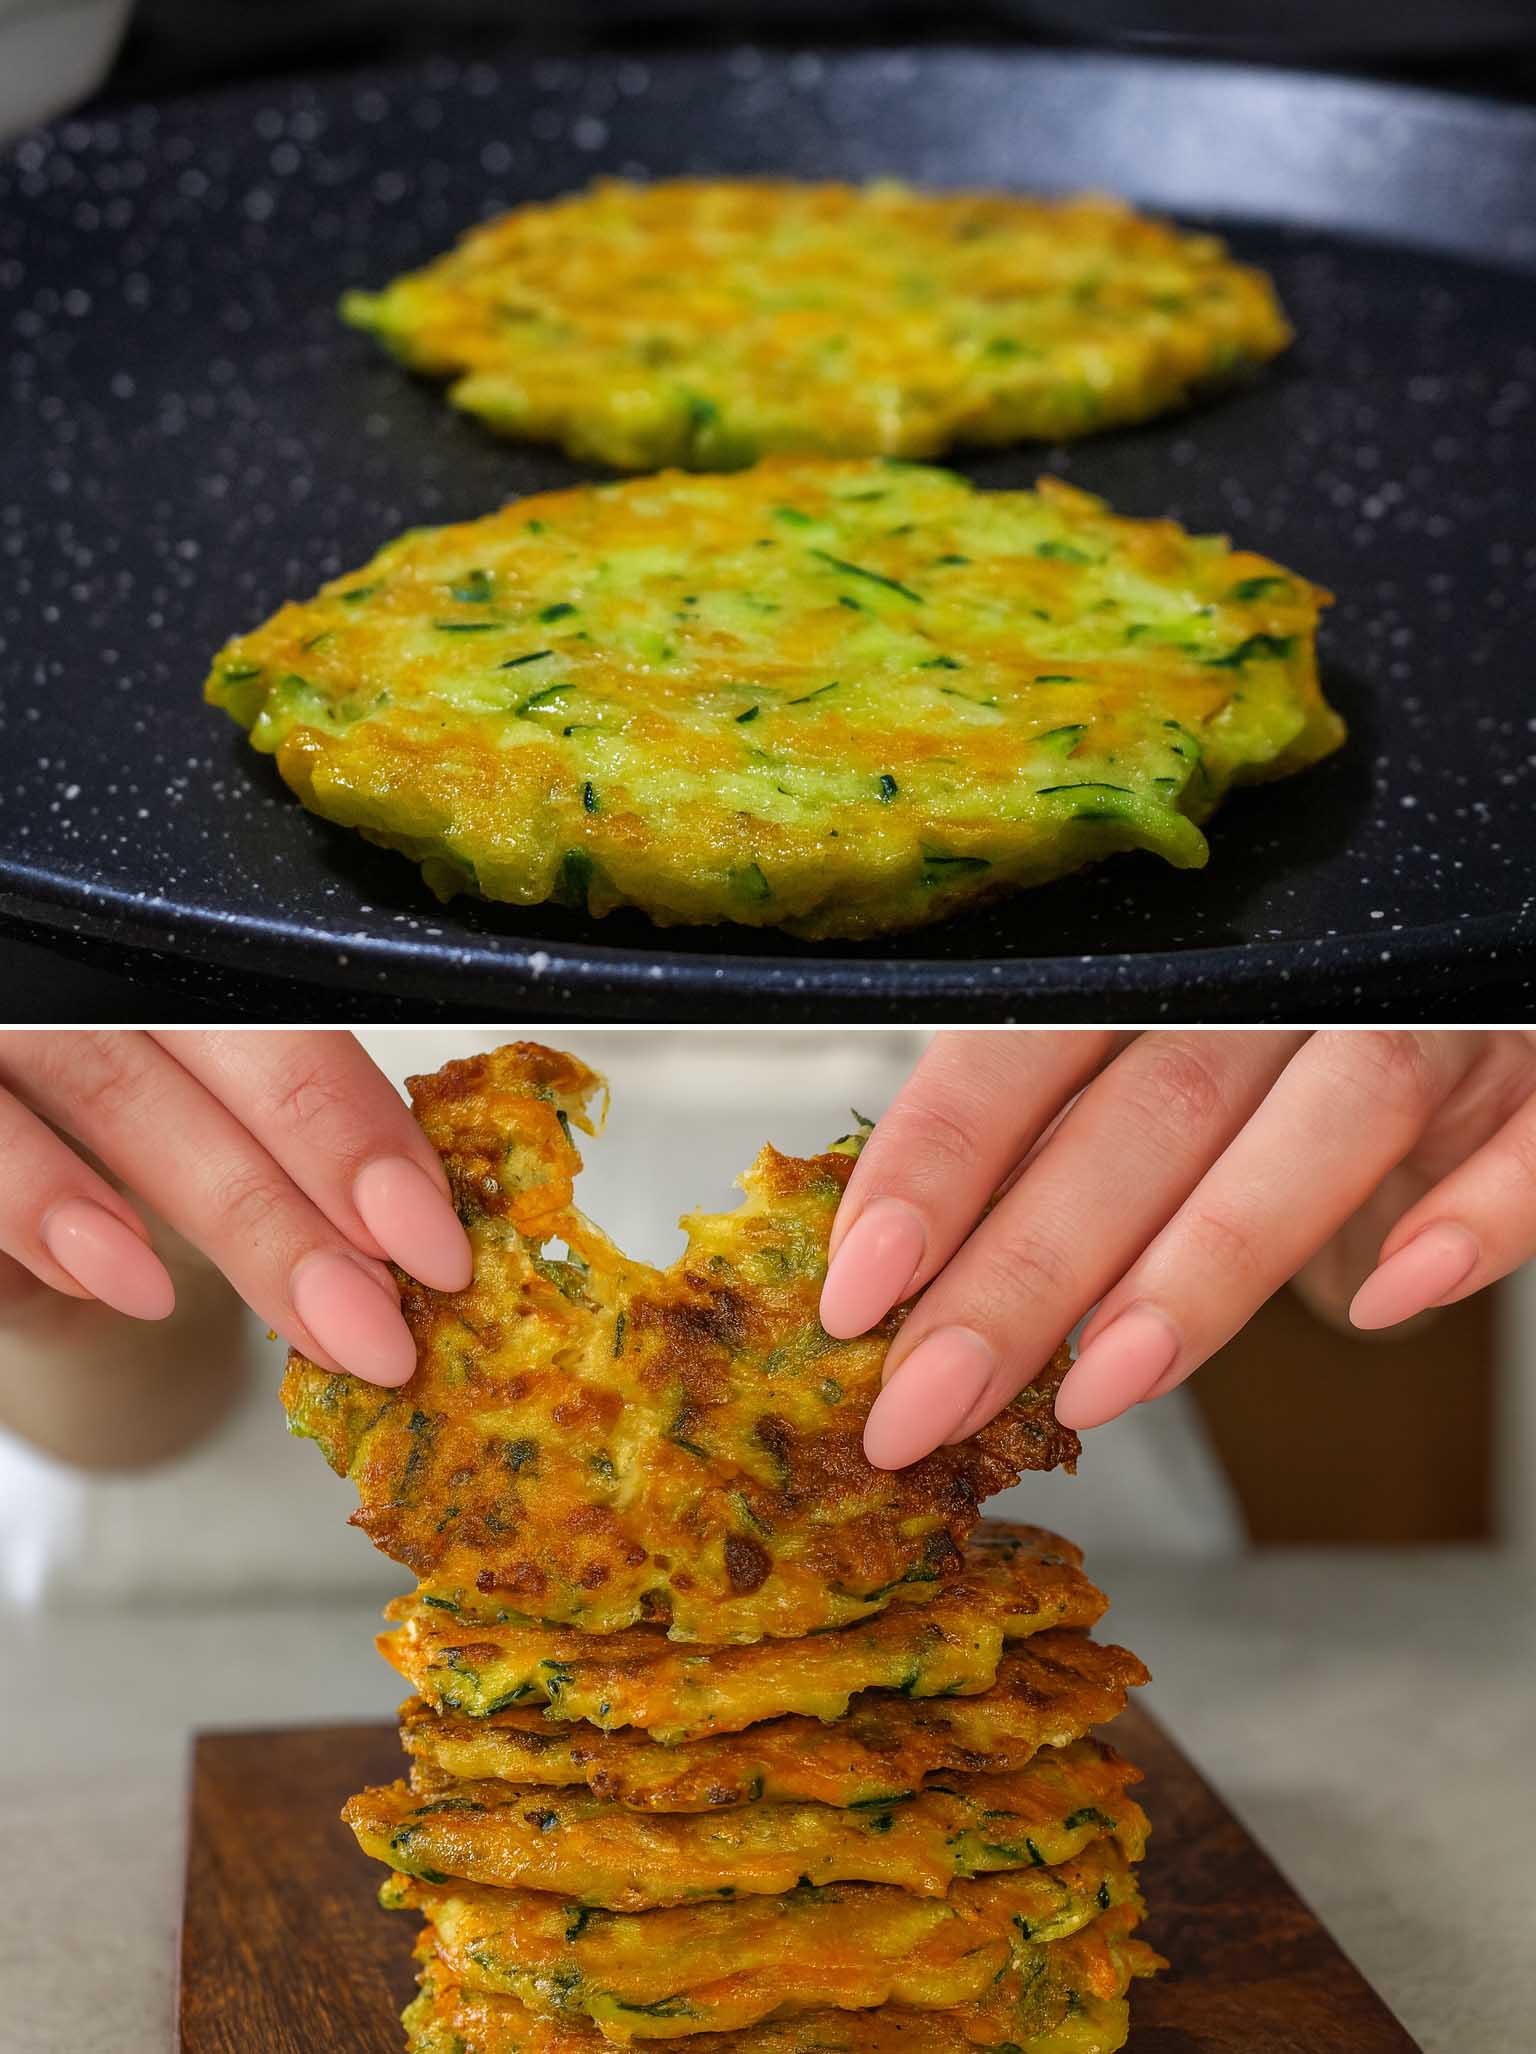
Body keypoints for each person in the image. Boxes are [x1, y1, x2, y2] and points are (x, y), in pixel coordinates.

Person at [0, 1030, 1531, 1476]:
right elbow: (118, 1406)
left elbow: (1359, 1269)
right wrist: (60, 1288)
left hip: (1097, 1636)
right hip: (156, 1641)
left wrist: (1391, 1177)